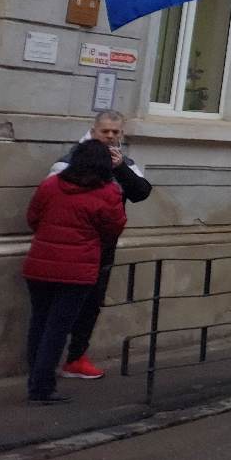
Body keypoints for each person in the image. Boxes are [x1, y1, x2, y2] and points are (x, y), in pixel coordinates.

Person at [50, 110, 152, 380]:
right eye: (105, 131)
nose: (110, 137)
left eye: (115, 132)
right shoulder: (72, 160)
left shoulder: (123, 161)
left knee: (92, 303)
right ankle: (47, 360)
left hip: (103, 247)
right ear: (94, 130)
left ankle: (76, 357)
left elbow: (141, 192)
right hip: (71, 245)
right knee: (60, 305)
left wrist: (121, 170)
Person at [22, 140, 127, 404]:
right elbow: (114, 227)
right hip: (78, 269)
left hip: (40, 264)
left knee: (39, 323)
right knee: (57, 329)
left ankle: (35, 379)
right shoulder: (107, 193)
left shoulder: (51, 185)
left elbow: (32, 217)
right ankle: (42, 387)